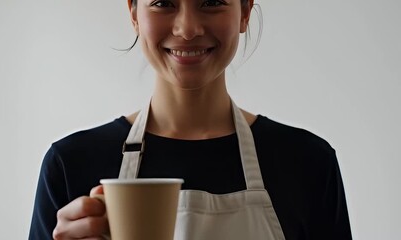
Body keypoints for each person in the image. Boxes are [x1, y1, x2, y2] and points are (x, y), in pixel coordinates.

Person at [29, 0, 352, 239]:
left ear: (244, 11)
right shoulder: (69, 165)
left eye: (211, 2)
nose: (187, 29)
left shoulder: (309, 163)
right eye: (162, 3)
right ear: (133, 12)